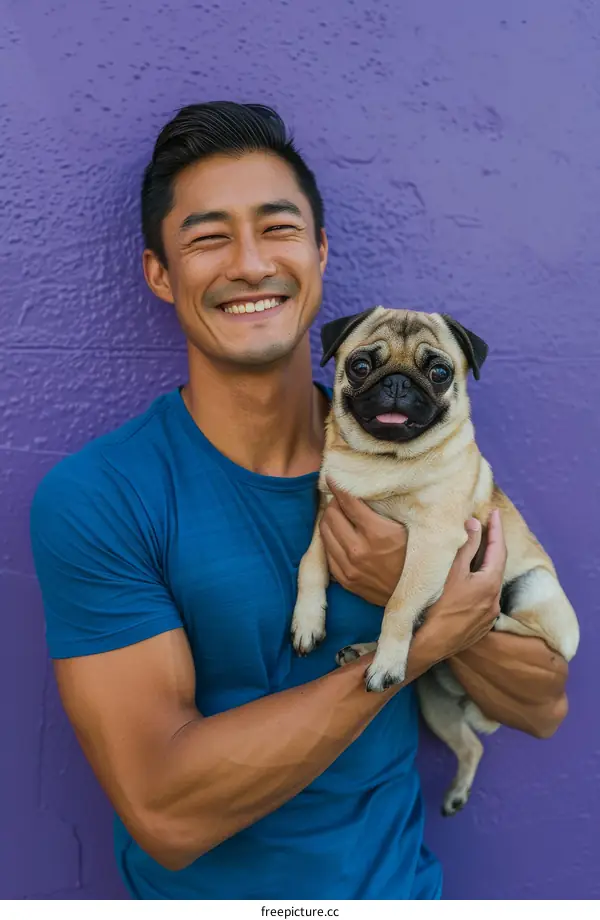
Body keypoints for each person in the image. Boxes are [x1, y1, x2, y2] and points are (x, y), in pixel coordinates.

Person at [30, 101, 569, 901]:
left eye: (277, 229)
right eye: (209, 238)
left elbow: (541, 706)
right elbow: (165, 812)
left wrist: (418, 592)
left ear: (320, 252)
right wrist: (420, 636)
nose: (251, 263)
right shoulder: (102, 497)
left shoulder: (428, 461)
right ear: (159, 272)